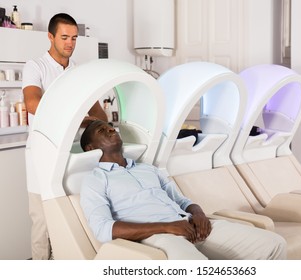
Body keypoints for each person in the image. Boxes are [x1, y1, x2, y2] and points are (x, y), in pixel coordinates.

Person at [80, 120, 287, 260]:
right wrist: (166, 227)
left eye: (111, 127)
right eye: (102, 130)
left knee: (274, 244)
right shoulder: (95, 180)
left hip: (190, 224)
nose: (111, 130)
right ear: (90, 147)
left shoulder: (148, 169)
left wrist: (198, 214)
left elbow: (181, 200)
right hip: (155, 237)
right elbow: (104, 230)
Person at [22, 13, 108, 260]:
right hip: (41, 153)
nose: (69, 43)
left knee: (70, 216)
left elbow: (96, 109)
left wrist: (104, 125)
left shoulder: (78, 72)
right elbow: (32, 104)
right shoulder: (35, 66)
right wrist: (79, 117)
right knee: (42, 220)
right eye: (64, 37)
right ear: (50, 37)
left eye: (74, 38)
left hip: (72, 154)